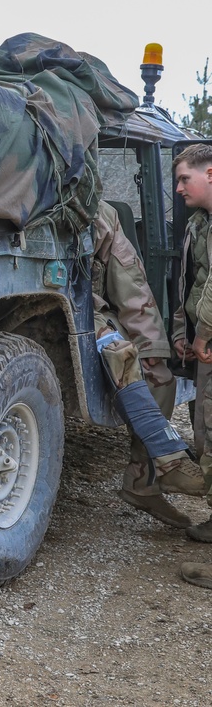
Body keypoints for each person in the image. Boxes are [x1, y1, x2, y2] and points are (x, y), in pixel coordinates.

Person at [91, 200, 204, 528]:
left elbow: (130, 284)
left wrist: (150, 343)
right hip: (57, 306)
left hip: (86, 310)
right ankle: (169, 461)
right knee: (121, 354)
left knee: (157, 375)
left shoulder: (97, 213)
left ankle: (143, 482)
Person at [169, 144, 212, 587]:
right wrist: (183, 331)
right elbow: (189, 281)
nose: (179, 188)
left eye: (185, 179)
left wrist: (201, 336)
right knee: (205, 432)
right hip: (203, 345)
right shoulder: (199, 224)